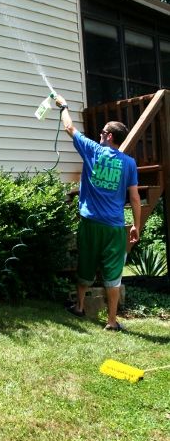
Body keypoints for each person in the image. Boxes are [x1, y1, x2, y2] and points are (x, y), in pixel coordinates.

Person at [54, 93, 141, 331]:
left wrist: (64, 106)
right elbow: (134, 197)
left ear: (109, 136)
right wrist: (136, 225)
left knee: (86, 265)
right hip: (114, 227)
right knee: (113, 274)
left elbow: (69, 127)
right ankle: (112, 322)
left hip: (90, 223)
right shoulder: (129, 163)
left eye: (102, 132)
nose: (99, 135)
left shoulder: (92, 150)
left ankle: (80, 307)